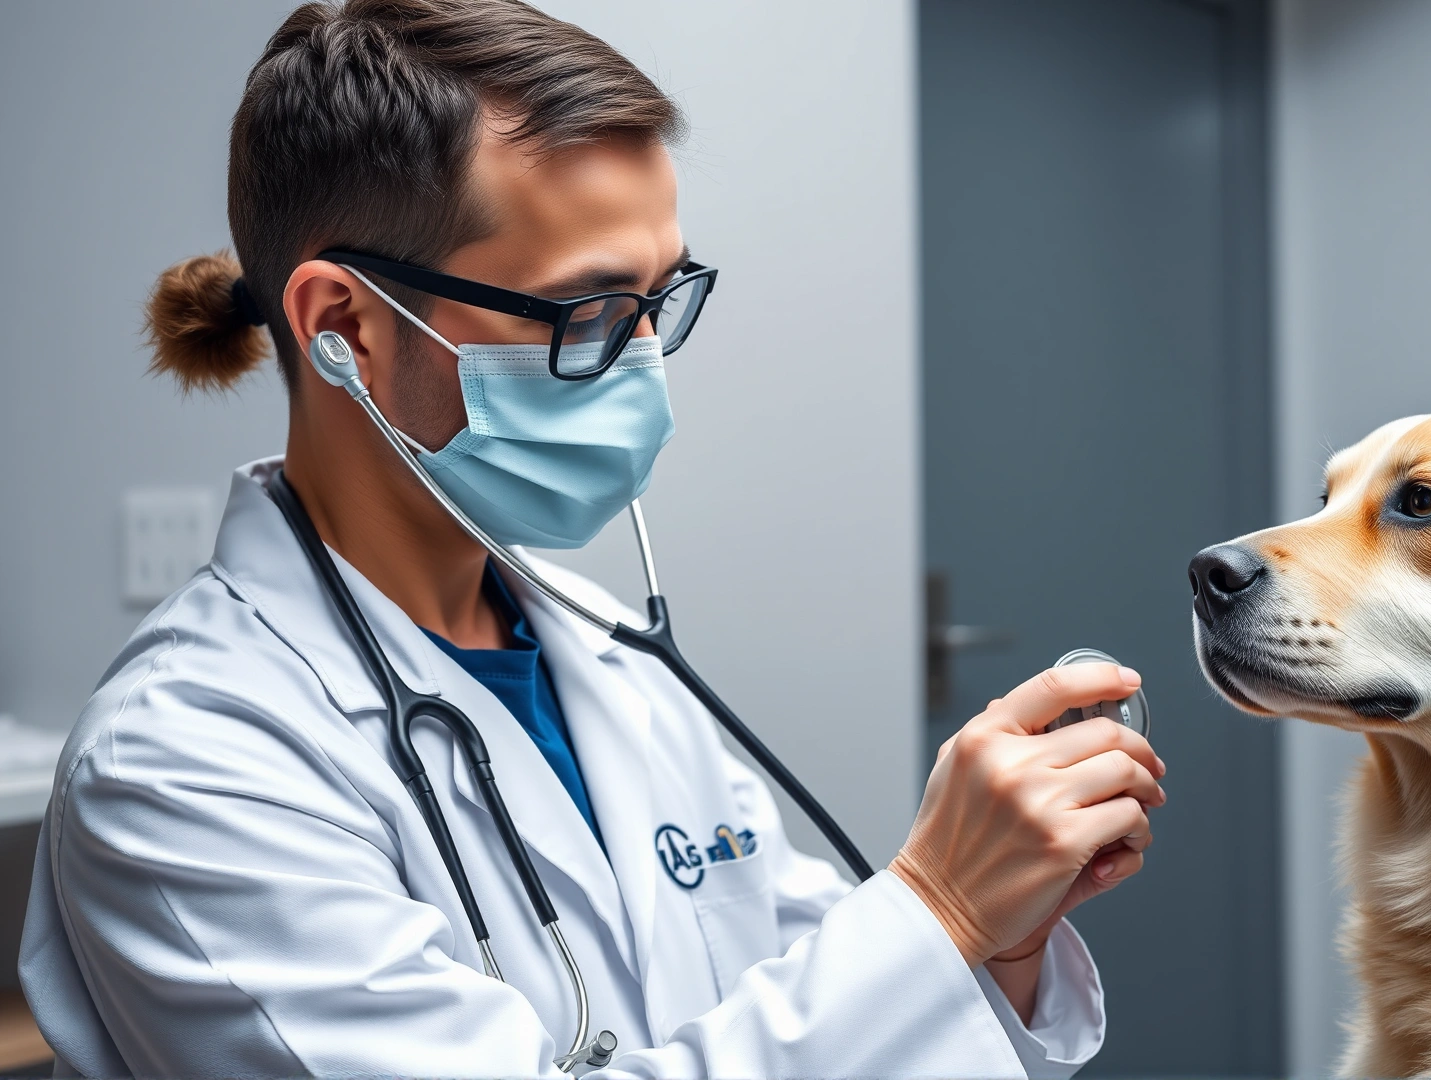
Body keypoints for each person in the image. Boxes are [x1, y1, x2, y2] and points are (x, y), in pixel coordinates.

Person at [16, 2, 1165, 1076]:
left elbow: (820, 990)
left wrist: (996, 937)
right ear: (345, 328)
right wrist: (941, 907)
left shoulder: (611, 656)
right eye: (591, 314)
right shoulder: (186, 764)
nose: (646, 366)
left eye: (662, 302)